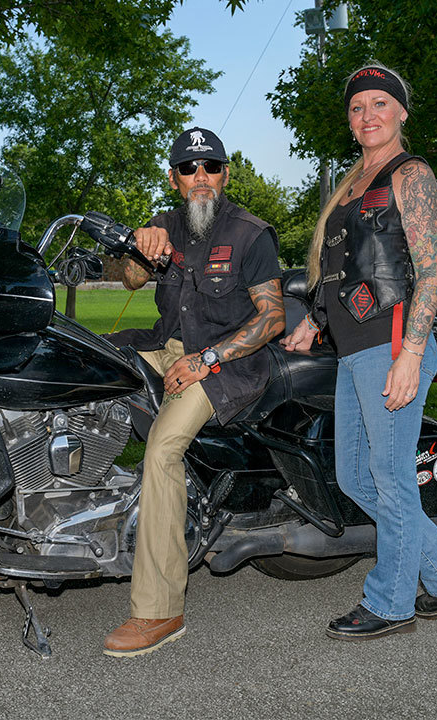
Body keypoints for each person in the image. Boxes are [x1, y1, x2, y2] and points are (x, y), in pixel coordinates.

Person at [282, 64, 437, 640]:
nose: (367, 115)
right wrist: (314, 325)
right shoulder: (349, 185)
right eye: (357, 107)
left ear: (401, 112)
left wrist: (411, 353)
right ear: (349, 121)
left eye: (380, 103)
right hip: (354, 351)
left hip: (394, 345)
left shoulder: (411, 174)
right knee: (355, 479)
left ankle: (392, 603)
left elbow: (428, 271)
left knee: (391, 479)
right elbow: (344, 276)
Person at [103, 127, 285, 657]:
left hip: (227, 361)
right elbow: (130, 278)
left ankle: (159, 609)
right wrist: (138, 243)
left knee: (161, 451)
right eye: (189, 168)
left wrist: (206, 359)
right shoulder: (165, 226)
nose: (200, 177)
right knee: (81, 368)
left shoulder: (251, 234)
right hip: (165, 344)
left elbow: (271, 318)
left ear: (226, 174)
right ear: (174, 178)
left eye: (210, 167)